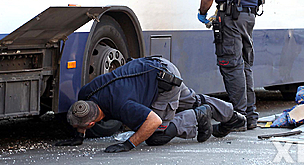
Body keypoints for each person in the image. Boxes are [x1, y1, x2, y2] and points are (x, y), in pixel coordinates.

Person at [56, 56, 246, 152]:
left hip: (164, 83)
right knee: (192, 99)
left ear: (91, 124)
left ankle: (197, 116)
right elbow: (82, 114)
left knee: (156, 135)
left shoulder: (121, 106)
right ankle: (233, 117)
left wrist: (129, 144)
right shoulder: (85, 95)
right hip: (157, 67)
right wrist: (78, 136)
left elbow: (153, 121)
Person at [198, 0, 265, 132]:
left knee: (231, 64)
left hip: (231, 17)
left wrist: (202, 11)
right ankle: (250, 115)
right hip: (249, 16)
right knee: (245, 64)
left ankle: (237, 117)